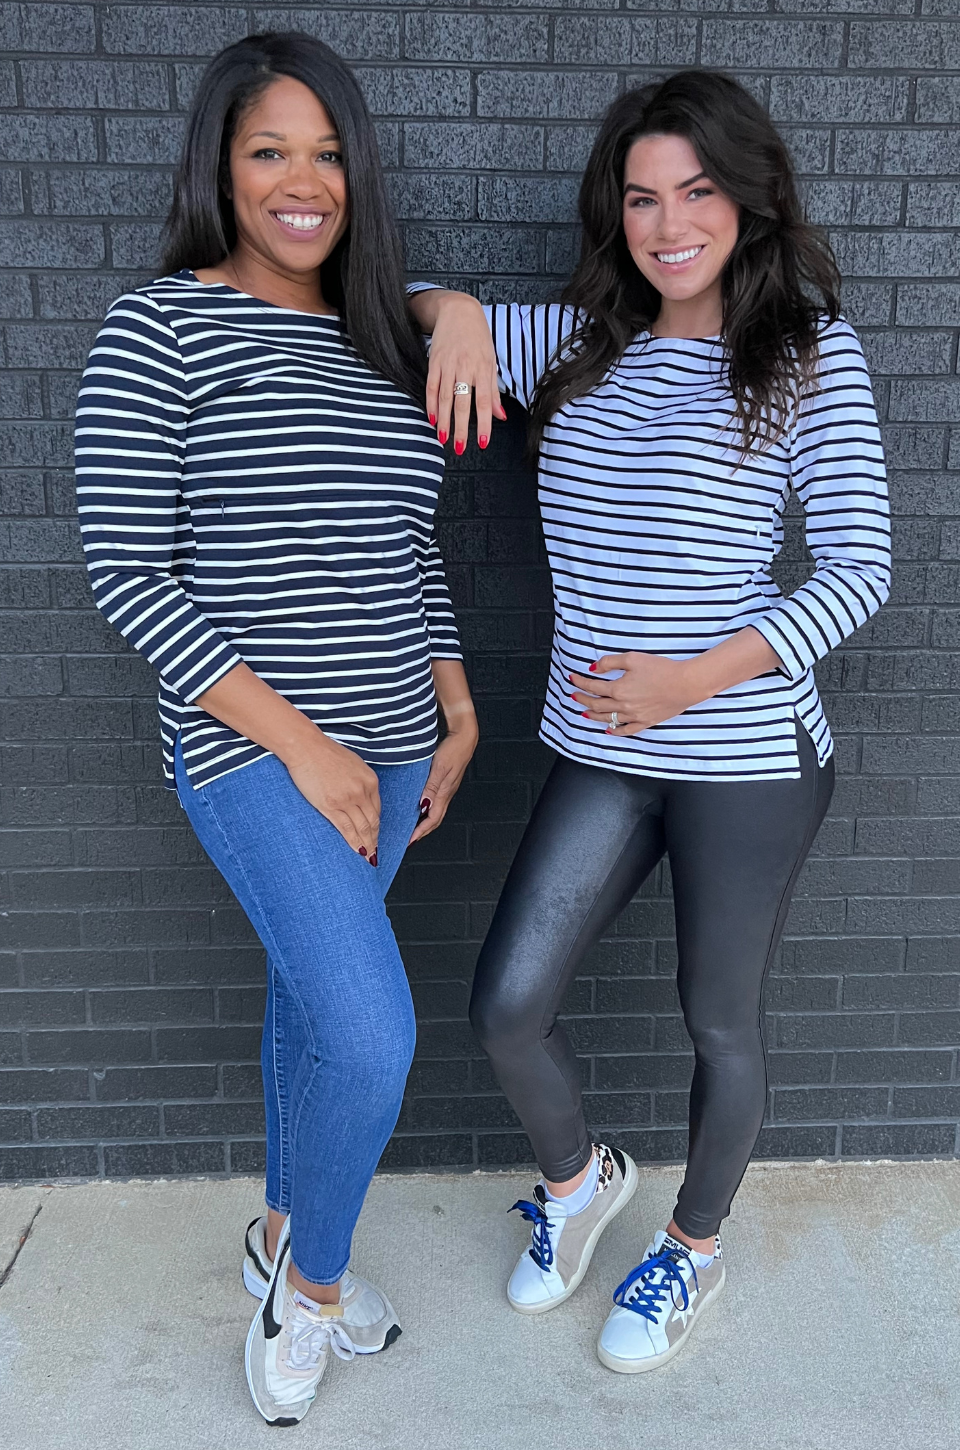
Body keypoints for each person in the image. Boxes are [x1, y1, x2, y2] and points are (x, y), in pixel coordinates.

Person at [409, 69, 890, 1374]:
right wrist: (449, 310)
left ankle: (692, 1241)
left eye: (698, 190)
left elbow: (861, 568)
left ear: (752, 198)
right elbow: (389, 318)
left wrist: (692, 676)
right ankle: (579, 1182)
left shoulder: (806, 350)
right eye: (641, 197)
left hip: (744, 756)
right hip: (604, 756)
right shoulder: (575, 341)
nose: (669, 222)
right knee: (507, 1002)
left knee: (716, 1015)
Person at [75, 32, 477, 1426]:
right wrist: (305, 744)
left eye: (326, 152)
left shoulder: (386, 337)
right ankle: (308, 1287)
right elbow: (128, 571)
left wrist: (457, 695)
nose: (302, 182)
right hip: (259, 755)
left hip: (398, 747)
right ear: (220, 168)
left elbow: (405, 539)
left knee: (316, 1006)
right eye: (268, 151)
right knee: (369, 1035)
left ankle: (275, 1232)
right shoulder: (160, 327)